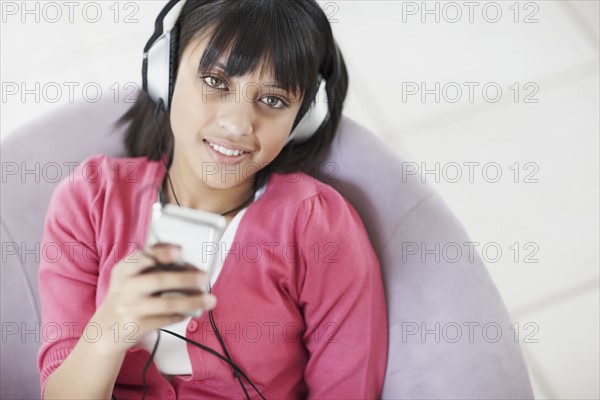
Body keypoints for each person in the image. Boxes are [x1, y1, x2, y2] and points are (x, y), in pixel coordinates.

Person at [37, 0, 388, 398]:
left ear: (303, 118)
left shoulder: (316, 226)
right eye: (216, 82)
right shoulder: (90, 199)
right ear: (164, 73)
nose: (237, 124)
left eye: (273, 100)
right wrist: (108, 331)